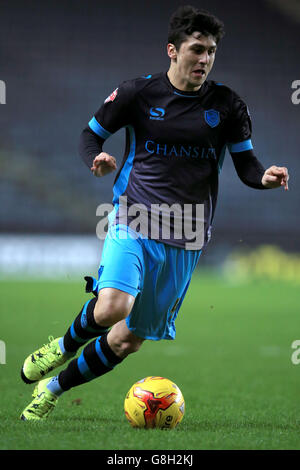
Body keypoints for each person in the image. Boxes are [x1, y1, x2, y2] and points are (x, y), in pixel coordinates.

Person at [20, 5, 289, 420]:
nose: (204, 59)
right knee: (112, 307)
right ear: (172, 50)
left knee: (127, 340)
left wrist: (265, 177)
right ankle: (61, 348)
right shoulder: (137, 94)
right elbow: (89, 136)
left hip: (188, 236)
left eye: (212, 51)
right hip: (135, 218)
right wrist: (97, 159)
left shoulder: (228, 105)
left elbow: (247, 166)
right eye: (197, 49)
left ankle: (52, 388)